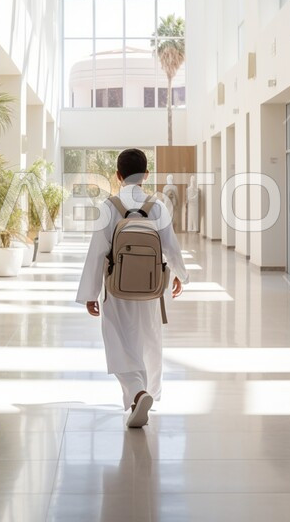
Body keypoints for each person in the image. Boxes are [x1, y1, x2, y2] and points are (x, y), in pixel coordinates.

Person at [76, 148, 189, 427]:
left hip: (117, 288)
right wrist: (179, 275)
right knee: (149, 338)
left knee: (117, 338)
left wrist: (90, 294)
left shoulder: (109, 206)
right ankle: (147, 392)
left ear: (118, 175)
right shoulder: (158, 206)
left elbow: (97, 252)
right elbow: (170, 247)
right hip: (151, 288)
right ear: (146, 175)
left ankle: (137, 393)